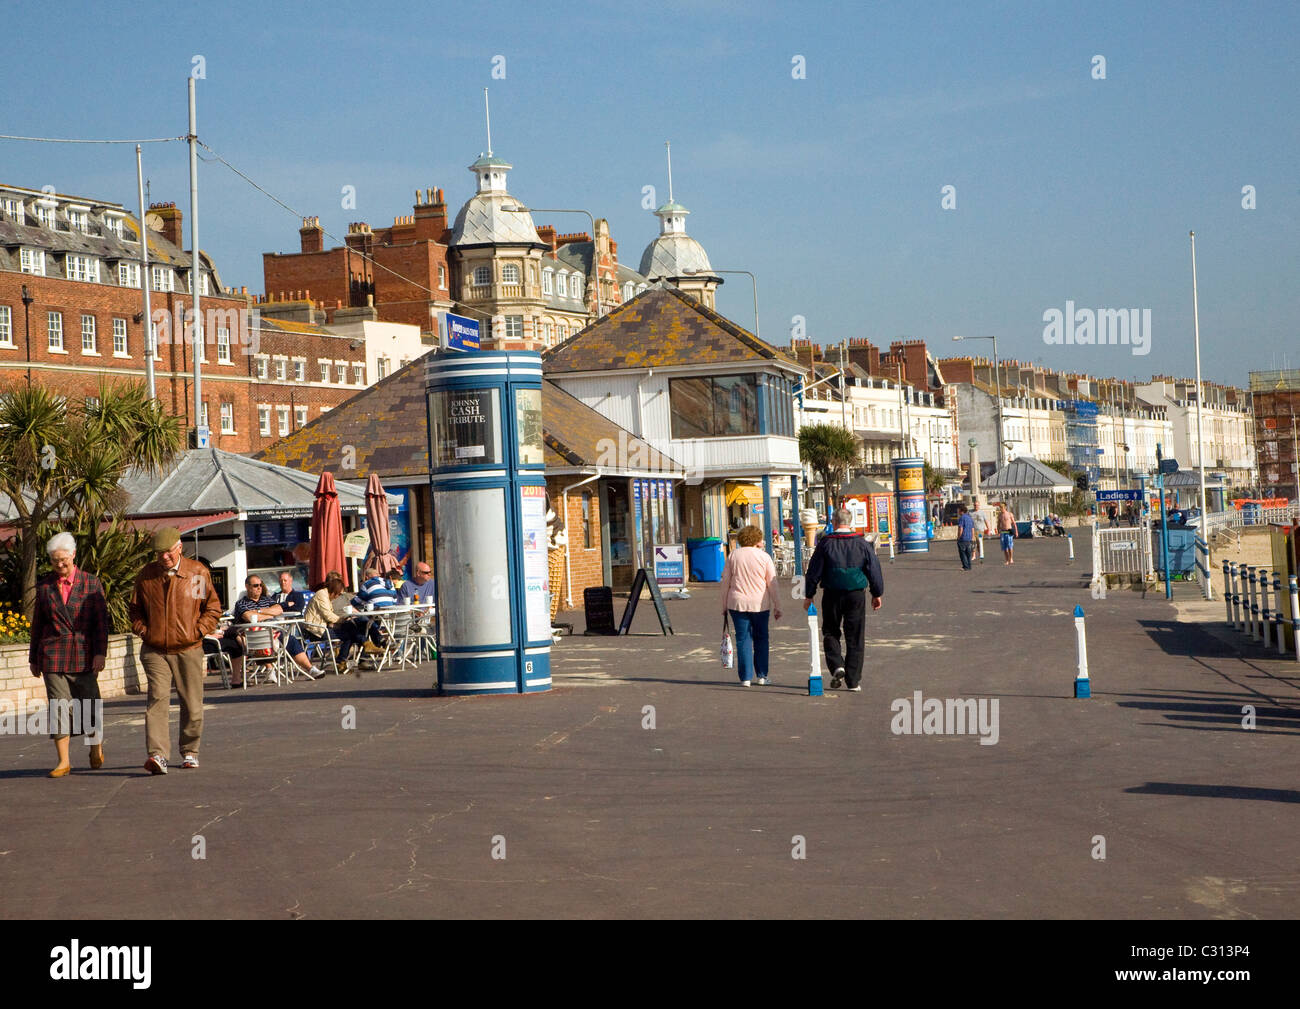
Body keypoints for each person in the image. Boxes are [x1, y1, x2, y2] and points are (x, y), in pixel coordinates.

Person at [129, 527, 223, 774]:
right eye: (159, 553)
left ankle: (190, 751)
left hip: (189, 647)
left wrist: (198, 631)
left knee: (192, 703)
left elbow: (211, 608)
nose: (164, 558)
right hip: (155, 649)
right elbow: (135, 610)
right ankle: (158, 755)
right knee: (157, 700)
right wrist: (144, 631)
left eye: (168, 552)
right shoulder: (146, 575)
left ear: (179, 547)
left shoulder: (196, 573)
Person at [29, 532, 108, 777]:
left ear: (73, 555)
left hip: (84, 653)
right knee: (58, 706)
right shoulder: (44, 587)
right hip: (53, 654)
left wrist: (100, 653)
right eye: (55, 561)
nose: (60, 565)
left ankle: (95, 747)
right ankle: (63, 761)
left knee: (90, 703)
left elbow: (101, 623)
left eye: (64, 560)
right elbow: (37, 625)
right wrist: (33, 657)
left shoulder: (91, 583)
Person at [803, 508, 885, 692]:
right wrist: (876, 593)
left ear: (834, 521)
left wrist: (809, 594)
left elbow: (814, 570)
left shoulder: (826, 543)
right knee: (855, 635)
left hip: (832, 593)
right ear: (851, 521)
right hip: (856, 593)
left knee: (831, 631)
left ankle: (836, 664)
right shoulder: (862, 543)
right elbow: (874, 569)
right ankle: (853, 680)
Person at [717, 525, 782, 687]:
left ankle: (745, 677)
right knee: (761, 638)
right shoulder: (764, 557)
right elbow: (772, 584)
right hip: (760, 604)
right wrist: (778, 605)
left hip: (737, 603)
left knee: (743, 639)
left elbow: (725, 582)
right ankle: (762, 675)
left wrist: (723, 605)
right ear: (756, 539)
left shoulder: (733, 556)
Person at [956, 504, 975, 571]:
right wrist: (973, 536)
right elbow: (972, 528)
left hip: (963, 538)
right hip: (969, 538)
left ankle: (965, 566)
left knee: (963, 553)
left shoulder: (962, 518)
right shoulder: (970, 518)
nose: (958, 512)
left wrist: (958, 537)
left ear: (961, 511)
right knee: (968, 553)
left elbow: (961, 528)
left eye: (958, 511)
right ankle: (969, 566)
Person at [970, 497, 989, 563]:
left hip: (980, 530)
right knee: (973, 543)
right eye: (975, 505)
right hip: (972, 530)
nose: (976, 506)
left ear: (979, 506)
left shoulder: (982, 512)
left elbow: (986, 521)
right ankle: (973, 555)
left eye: (977, 505)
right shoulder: (970, 512)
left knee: (979, 543)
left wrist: (988, 529)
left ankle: (980, 555)